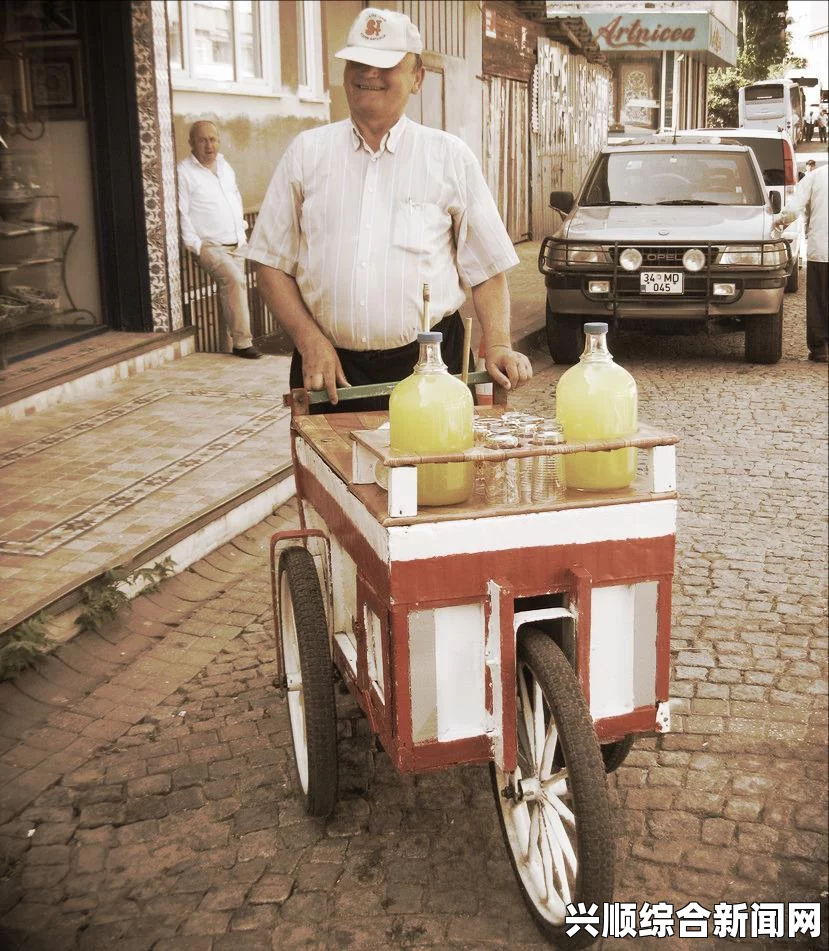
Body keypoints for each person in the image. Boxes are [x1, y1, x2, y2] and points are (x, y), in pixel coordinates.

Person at [245, 7, 530, 409]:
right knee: (335, 472)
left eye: (384, 65)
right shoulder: (306, 154)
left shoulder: (449, 157)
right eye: (357, 63)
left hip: (432, 369)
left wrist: (498, 342)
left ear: (417, 78)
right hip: (329, 369)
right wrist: (309, 340)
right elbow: (270, 263)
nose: (368, 74)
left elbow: (487, 269)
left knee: (433, 473)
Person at [178, 120, 261, 359]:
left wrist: (242, 233)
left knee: (233, 293)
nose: (208, 145)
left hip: (236, 244)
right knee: (235, 281)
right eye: (202, 140)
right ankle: (243, 343)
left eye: (213, 139)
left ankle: (228, 348)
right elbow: (182, 212)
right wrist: (196, 246)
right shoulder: (184, 172)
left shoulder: (225, 166)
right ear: (191, 143)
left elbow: (235, 199)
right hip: (209, 246)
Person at [775, 163, 828, 362]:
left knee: (818, 299)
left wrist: (778, 221)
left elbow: (793, 210)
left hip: (822, 250)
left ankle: (820, 348)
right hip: (821, 249)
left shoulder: (815, 177)